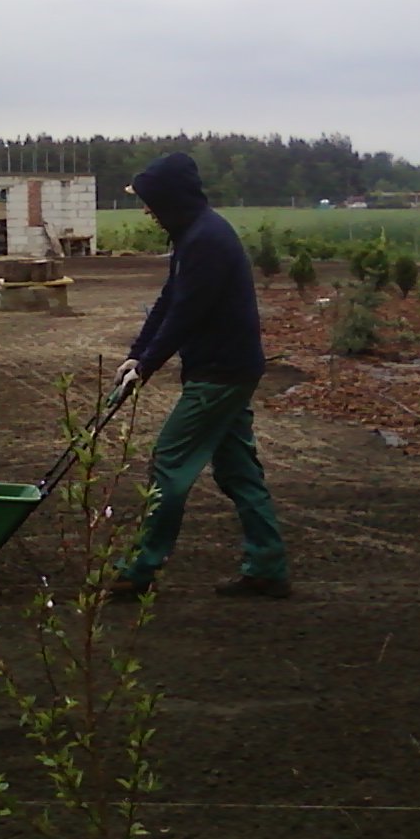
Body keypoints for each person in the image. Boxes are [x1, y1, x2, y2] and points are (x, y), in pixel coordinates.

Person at [109, 152, 290, 599]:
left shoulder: (206, 239)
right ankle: (267, 565)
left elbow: (187, 313)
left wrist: (149, 364)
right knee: (238, 471)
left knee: (170, 462)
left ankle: (141, 568)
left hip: (221, 372)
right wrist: (137, 356)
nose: (146, 211)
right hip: (226, 368)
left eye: (149, 201)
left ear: (169, 199)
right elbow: (171, 299)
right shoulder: (194, 235)